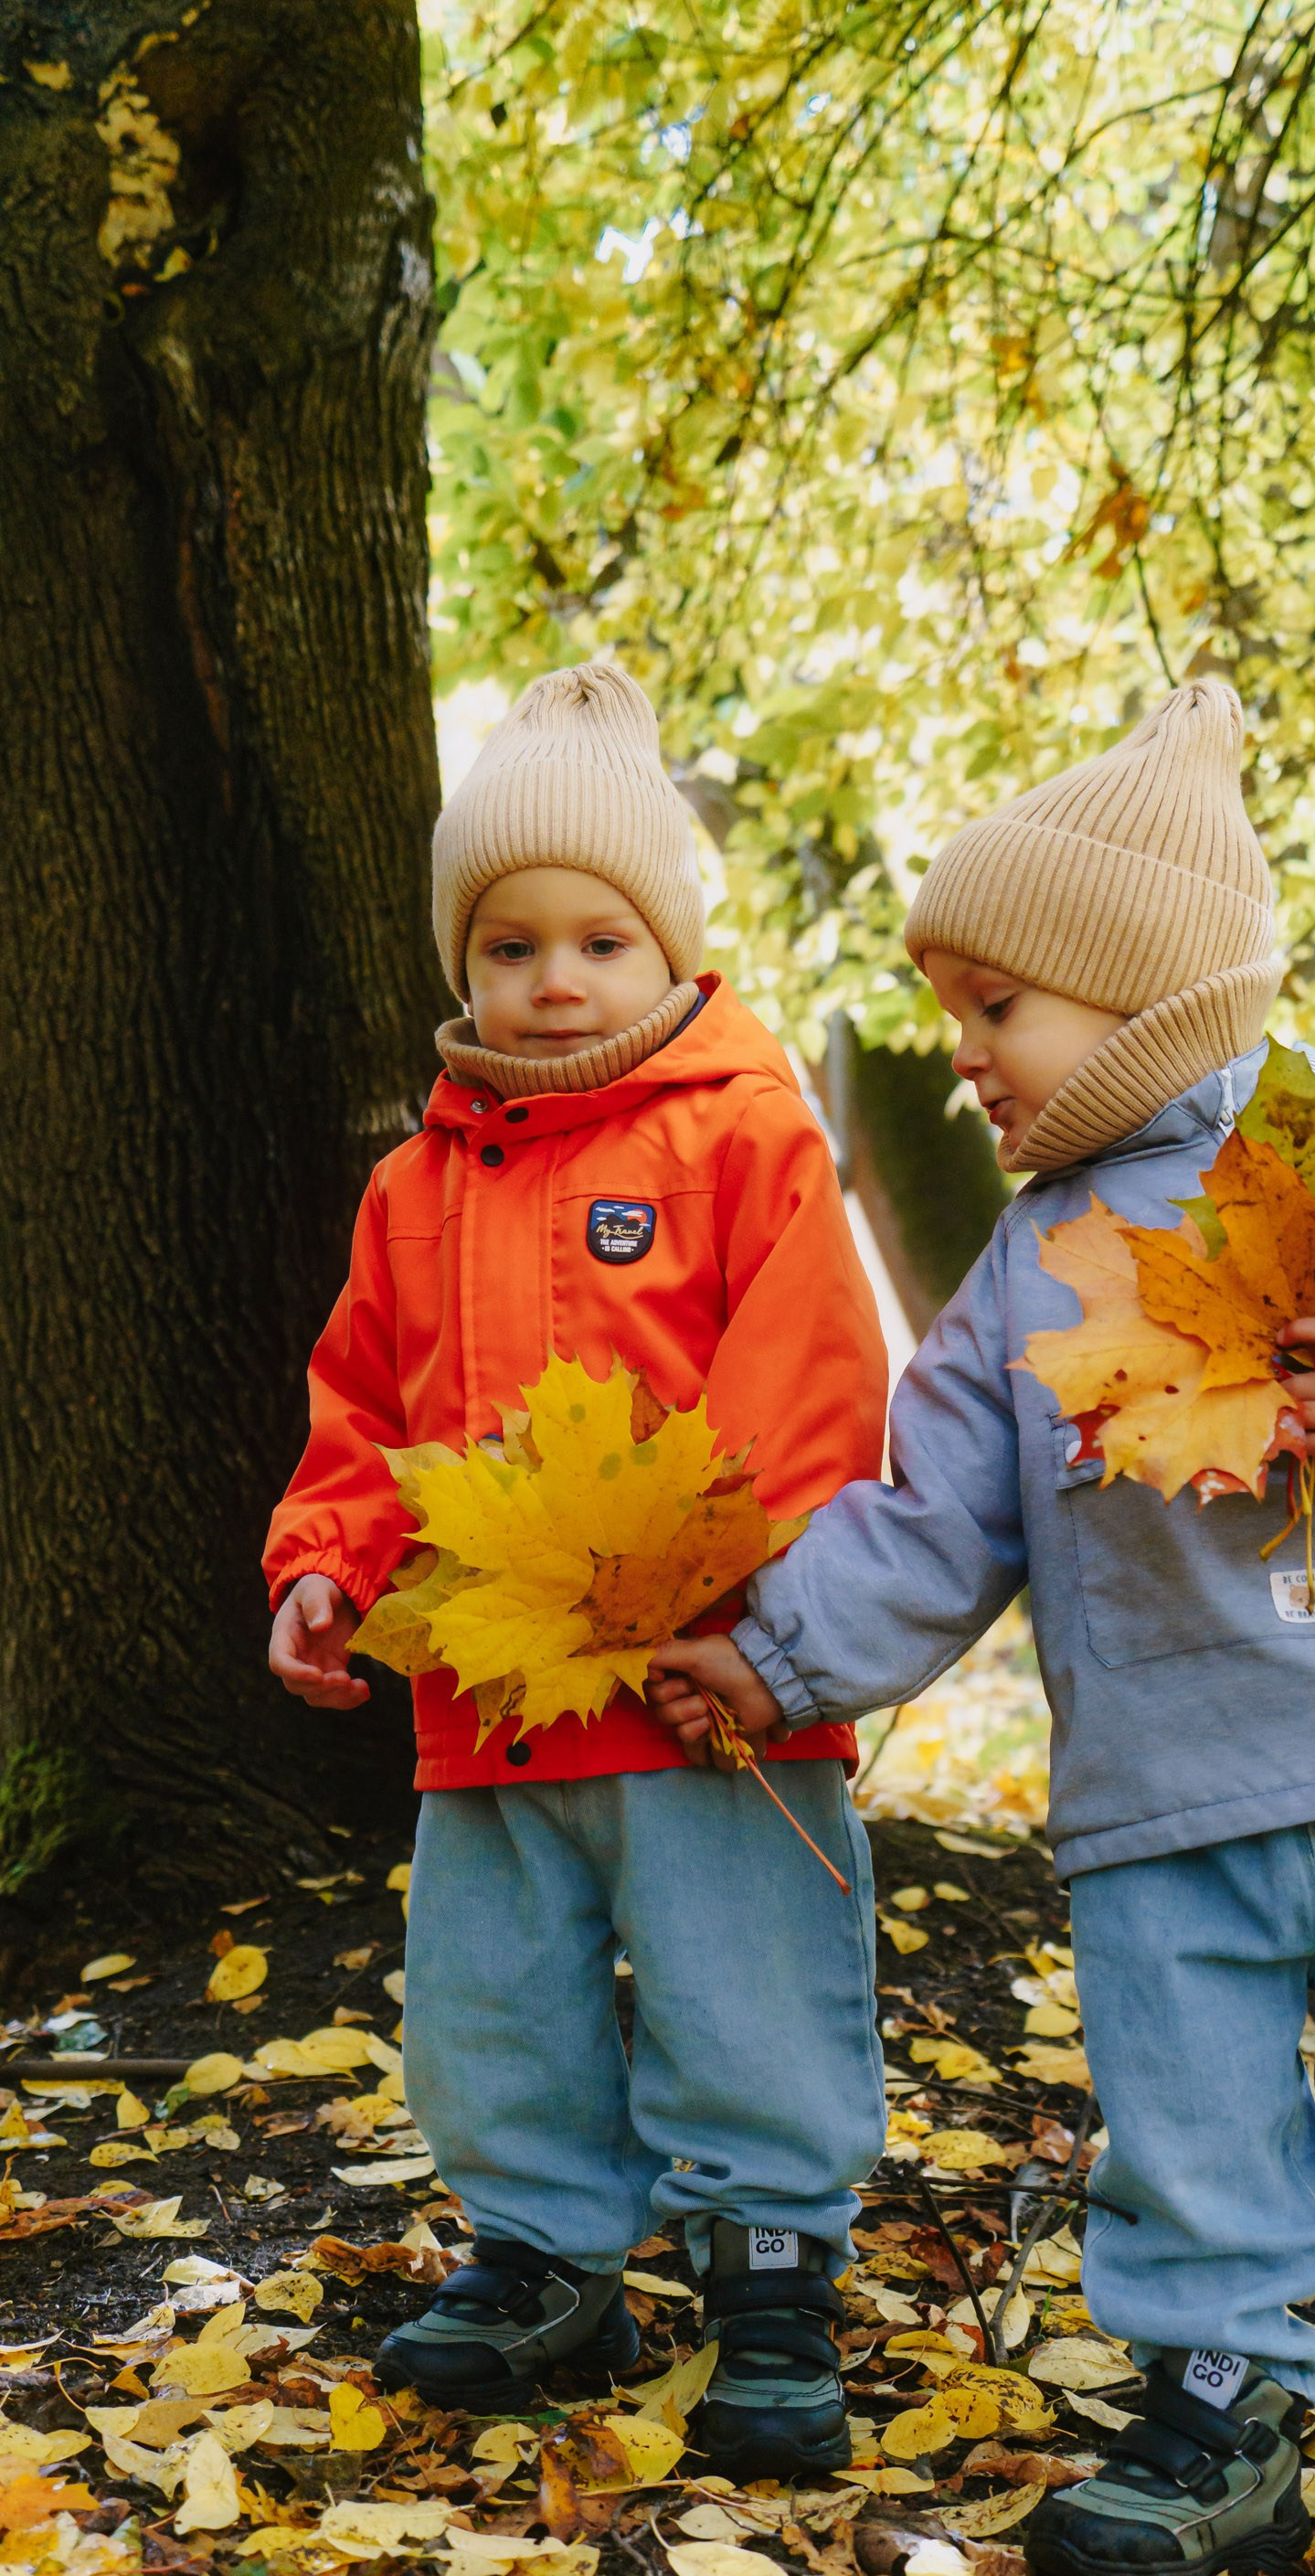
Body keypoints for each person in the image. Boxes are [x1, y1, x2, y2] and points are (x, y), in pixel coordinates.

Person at [648, 676, 1315, 2576]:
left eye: (994, 1009)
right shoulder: (1026, 1259)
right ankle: (1219, 2398)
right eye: (950, 1019)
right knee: (1188, 2131)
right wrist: (777, 1660)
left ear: (1151, 985)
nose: (964, 1060)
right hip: (1163, 1796)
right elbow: (939, 1510)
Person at [264, 660, 889, 2475]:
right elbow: (365, 1412)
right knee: (492, 1995)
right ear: (462, 966)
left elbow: (811, 1384)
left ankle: (770, 2257)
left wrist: (726, 1588)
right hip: (489, 1699)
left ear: (673, 950)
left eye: (601, 941)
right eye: (510, 945)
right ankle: (544, 2248)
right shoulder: (415, 1188)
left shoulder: (743, 1131)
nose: (553, 979)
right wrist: (323, 1565)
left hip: (706, 1686)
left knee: (747, 1981)